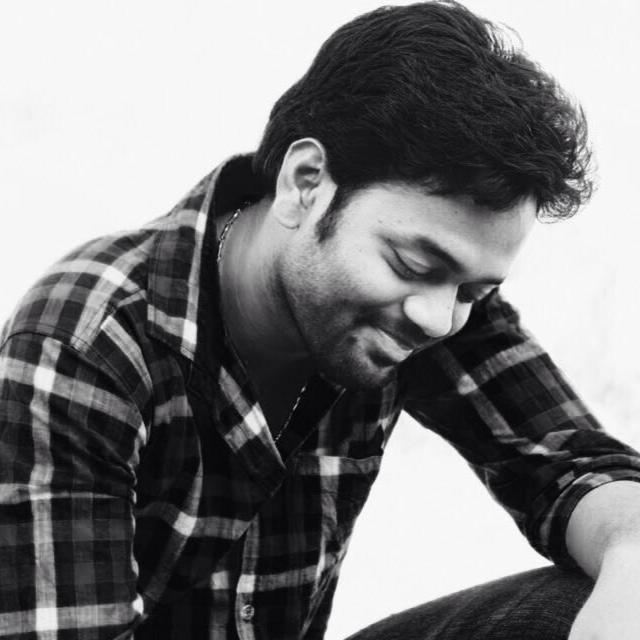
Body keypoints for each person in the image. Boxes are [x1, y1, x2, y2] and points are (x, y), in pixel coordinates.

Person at [0, 1, 639, 639]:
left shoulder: (427, 304)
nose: (439, 318)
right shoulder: (85, 340)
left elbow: (570, 461)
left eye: (473, 291)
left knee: (599, 591)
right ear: (305, 183)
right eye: (413, 264)